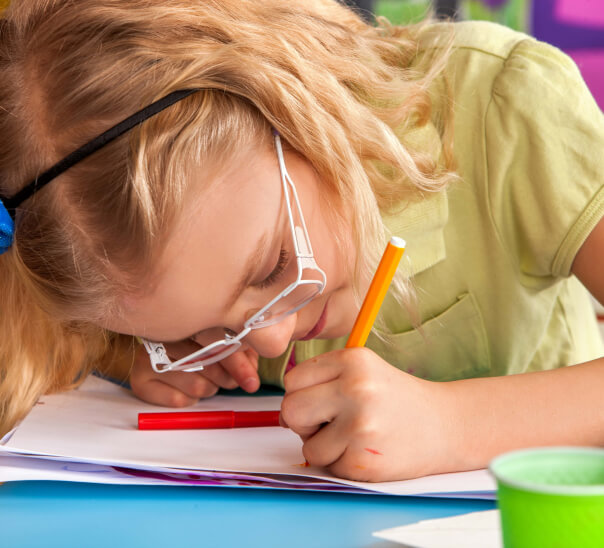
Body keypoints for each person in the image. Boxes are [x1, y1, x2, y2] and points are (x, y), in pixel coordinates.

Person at [1, 0, 603, 483]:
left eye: (271, 269)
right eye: (207, 332)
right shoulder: (148, 233)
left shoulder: (507, 108)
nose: (270, 337)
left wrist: (450, 426)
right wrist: (148, 363)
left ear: (295, 103)